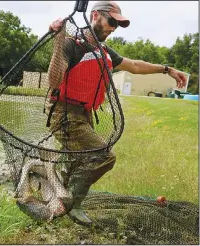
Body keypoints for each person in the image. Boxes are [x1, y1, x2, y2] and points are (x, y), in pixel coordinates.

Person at [40, 1, 187, 226]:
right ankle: (73, 204)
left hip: (83, 114)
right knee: (103, 156)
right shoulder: (72, 45)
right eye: (112, 22)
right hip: (64, 114)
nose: (113, 29)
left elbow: (136, 65)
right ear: (96, 15)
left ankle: (57, 194)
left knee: (77, 158)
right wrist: (59, 39)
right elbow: (53, 80)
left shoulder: (103, 51)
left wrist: (167, 69)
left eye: (117, 25)